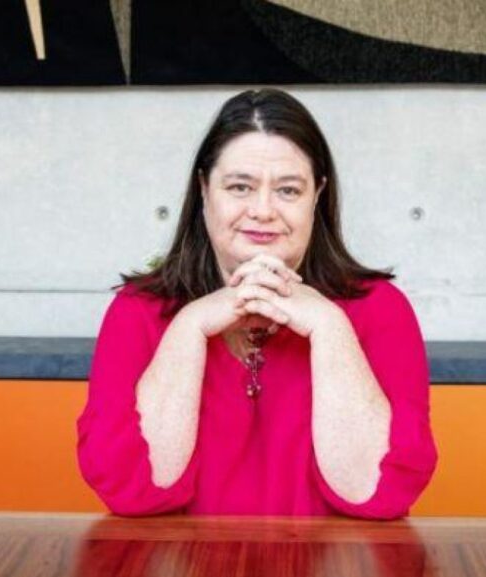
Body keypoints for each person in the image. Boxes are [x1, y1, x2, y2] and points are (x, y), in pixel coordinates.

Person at [76, 88, 437, 519]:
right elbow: (131, 491)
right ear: (204, 189)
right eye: (240, 187)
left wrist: (330, 326)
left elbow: (378, 496)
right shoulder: (139, 311)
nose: (263, 210)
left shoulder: (380, 309)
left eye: (288, 190)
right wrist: (189, 326)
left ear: (317, 195)